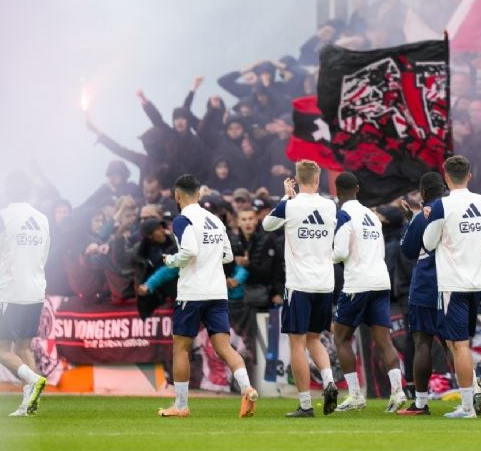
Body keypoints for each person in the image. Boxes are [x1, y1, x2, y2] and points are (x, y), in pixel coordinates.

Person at [156, 175, 258, 419]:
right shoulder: (214, 219)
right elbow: (228, 256)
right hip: (217, 293)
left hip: (192, 292)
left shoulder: (182, 220)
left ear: (177, 196)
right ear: (198, 195)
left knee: (181, 349)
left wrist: (171, 260)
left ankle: (181, 405)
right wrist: (209, 259)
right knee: (224, 346)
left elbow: (189, 251)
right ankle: (247, 388)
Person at [262, 160, 348, 417]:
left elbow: (267, 225)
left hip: (299, 284)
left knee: (297, 344)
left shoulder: (289, 205)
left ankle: (306, 404)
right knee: (314, 338)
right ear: (318, 178)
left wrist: (285, 197)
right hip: (324, 284)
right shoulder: (331, 206)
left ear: (297, 180)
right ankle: (329, 381)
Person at [331, 172, 408, 413]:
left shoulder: (344, 215)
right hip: (380, 280)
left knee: (341, 338)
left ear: (337, 192)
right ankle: (398, 391)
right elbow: (381, 251)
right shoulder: (372, 216)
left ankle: (355, 395)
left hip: (358, 283)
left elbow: (340, 252)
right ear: (357, 188)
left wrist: (324, 257)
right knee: (384, 340)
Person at [422, 155, 481, 419]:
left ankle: (468, 407)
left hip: (453, 283)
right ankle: (471, 393)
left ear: (446, 177)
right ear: (469, 176)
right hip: (477, 282)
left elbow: (428, 243)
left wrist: (430, 220)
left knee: (459, 345)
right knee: (456, 342)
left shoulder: (442, 205)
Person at [0, 171, 51, 418]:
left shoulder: (2, 216)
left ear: (6, 190)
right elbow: (45, 255)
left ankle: (33, 380)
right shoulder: (42, 218)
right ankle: (29, 405)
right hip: (35, 290)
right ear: (30, 190)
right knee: (24, 348)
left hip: (10, 292)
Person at [397, 172, 447, 416]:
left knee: (422, 342)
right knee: (455, 343)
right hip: (452, 284)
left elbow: (407, 250)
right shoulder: (453, 210)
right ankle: (472, 395)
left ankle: (419, 403)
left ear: (423, 193)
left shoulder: (422, 216)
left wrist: (411, 222)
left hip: (426, 285)